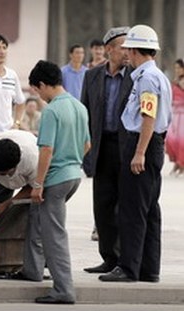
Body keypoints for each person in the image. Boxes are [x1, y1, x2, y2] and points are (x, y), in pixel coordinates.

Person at [100, 25, 172, 283]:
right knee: (149, 210)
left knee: (132, 210)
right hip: (152, 144)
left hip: (143, 143)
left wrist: (139, 152)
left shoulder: (147, 78)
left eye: (128, 47)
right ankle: (149, 269)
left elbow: (148, 116)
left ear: (135, 49)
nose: (126, 52)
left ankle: (129, 268)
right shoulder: (156, 75)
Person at [29, 60, 91, 304]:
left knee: (54, 235)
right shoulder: (79, 107)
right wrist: (71, 160)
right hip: (74, 175)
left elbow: (46, 150)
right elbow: (87, 145)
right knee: (43, 225)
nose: (39, 96)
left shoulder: (52, 111)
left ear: (43, 85)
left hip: (55, 179)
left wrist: (38, 183)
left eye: (37, 90)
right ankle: (32, 270)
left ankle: (63, 289)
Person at [81, 26, 133, 274]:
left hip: (126, 149)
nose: (127, 51)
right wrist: (84, 150)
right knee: (102, 205)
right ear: (109, 49)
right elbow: (85, 114)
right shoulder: (92, 76)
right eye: (123, 46)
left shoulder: (136, 76)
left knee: (123, 205)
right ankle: (108, 257)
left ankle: (123, 260)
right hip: (101, 147)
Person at [0, 129, 48, 281]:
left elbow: (34, 187)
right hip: (0, 183)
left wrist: (9, 203)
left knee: (33, 219)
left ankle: (37, 259)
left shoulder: (32, 158)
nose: (5, 176)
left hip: (31, 181)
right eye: (0, 173)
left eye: (7, 173)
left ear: (15, 166)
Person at [165, 59, 184, 176]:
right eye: (175, 68)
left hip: (182, 114)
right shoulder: (175, 80)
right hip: (174, 113)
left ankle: (181, 164)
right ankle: (176, 162)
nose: (177, 70)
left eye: (179, 68)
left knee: (181, 140)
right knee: (171, 139)